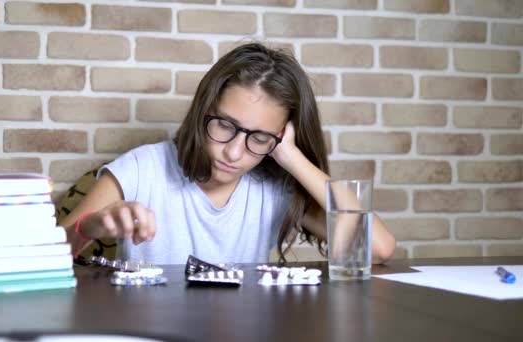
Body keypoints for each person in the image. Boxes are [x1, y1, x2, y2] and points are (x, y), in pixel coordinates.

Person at [59, 43, 395, 265]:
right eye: (224, 125)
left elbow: (376, 248)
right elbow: (48, 256)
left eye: (259, 137)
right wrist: (89, 227)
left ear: (278, 138)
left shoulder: (275, 188)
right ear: (203, 111)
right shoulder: (141, 167)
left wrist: (292, 157)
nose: (234, 152)